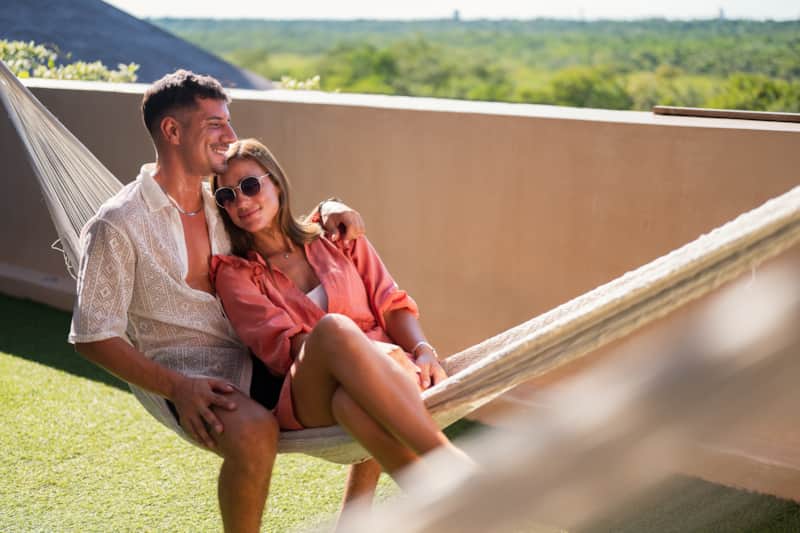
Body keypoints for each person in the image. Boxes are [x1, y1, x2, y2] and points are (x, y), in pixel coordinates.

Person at [68, 69, 369, 533]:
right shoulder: (118, 224)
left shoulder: (222, 204)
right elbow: (93, 335)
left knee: (370, 381)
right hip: (191, 377)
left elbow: (281, 228)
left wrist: (329, 207)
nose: (230, 135)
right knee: (255, 433)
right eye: (215, 124)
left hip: (260, 358)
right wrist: (178, 388)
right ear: (172, 131)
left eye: (228, 122)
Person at [209, 138, 466, 487]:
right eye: (226, 196)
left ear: (276, 183)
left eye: (250, 185)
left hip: (385, 371)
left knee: (349, 403)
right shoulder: (236, 274)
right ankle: (447, 458)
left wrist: (423, 350)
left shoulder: (335, 235)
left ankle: (430, 497)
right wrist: (364, 354)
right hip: (308, 390)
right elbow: (285, 348)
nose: (241, 201)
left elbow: (389, 301)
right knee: (332, 329)